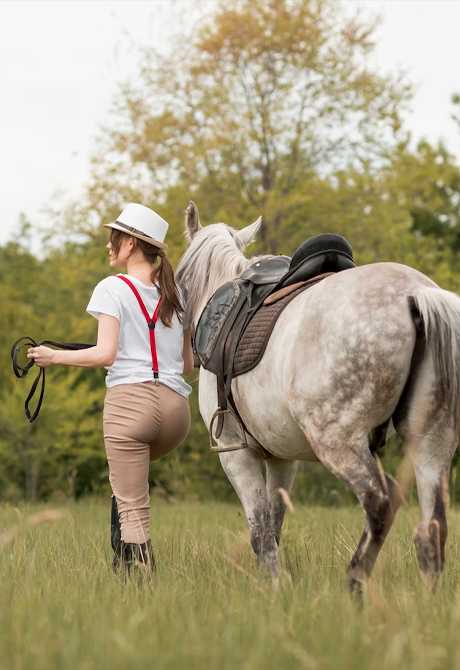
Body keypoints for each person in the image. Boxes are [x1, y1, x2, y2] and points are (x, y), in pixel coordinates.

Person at [27, 203, 194, 572]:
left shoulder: (112, 288)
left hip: (130, 407)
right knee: (127, 487)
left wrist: (52, 357)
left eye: (113, 237)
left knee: (133, 506)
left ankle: (137, 588)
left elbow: (105, 354)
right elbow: (187, 364)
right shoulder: (178, 293)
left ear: (131, 243)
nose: (108, 244)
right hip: (177, 412)